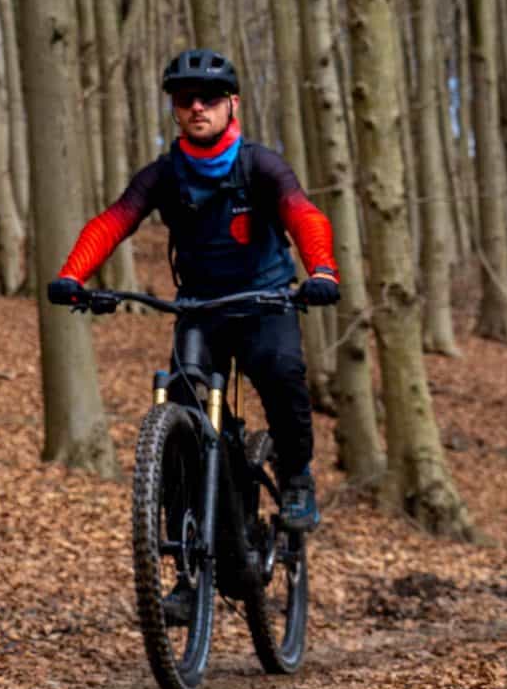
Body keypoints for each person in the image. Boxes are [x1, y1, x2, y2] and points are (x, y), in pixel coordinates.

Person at [45, 49, 341, 533]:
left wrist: (323, 272)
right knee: (180, 416)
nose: (197, 107)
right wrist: (73, 275)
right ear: (176, 109)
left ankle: (297, 477)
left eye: (209, 97)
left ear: (232, 104)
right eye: (185, 99)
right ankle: (187, 562)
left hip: (266, 301)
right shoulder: (163, 175)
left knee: (281, 372)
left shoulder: (261, 167)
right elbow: (114, 220)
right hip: (200, 309)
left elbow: (304, 216)